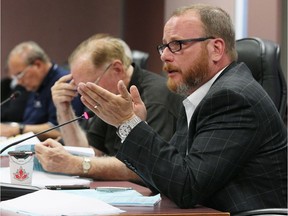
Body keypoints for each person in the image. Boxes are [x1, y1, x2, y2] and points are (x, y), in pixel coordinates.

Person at [76, 4, 287, 214]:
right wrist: (138, 125)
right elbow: (167, 179)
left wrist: (130, 125)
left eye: (177, 45)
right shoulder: (200, 96)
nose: (164, 56)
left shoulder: (232, 98)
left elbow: (186, 188)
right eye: (164, 46)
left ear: (216, 49)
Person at [35, 35, 183, 182]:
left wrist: (74, 164)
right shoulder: (111, 94)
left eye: (90, 85)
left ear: (117, 69)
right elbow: (89, 152)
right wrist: (64, 109)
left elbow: (145, 166)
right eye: (79, 89)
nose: (84, 96)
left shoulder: (155, 100)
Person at [0, 41, 84, 140]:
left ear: (38, 65)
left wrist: (18, 129)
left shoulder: (64, 83)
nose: (18, 82)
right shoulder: (36, 84)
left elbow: (62, 130)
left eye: (20, 75)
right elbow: (30, 122)